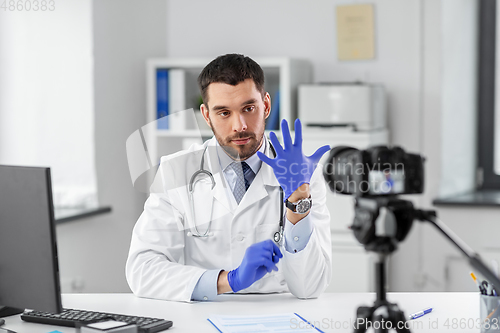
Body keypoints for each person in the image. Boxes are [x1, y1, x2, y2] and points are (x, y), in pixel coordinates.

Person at [126, 54, 332, 302]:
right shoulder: (176, 171)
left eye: (249, 108)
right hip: (204, 313)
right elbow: (142, 270)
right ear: (206, 115)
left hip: (280, 315)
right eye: (224, 113)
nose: (239, 126)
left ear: (266, 105)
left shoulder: (304, 176)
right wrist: (228, 280)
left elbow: (310, 288)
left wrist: (297, 201)